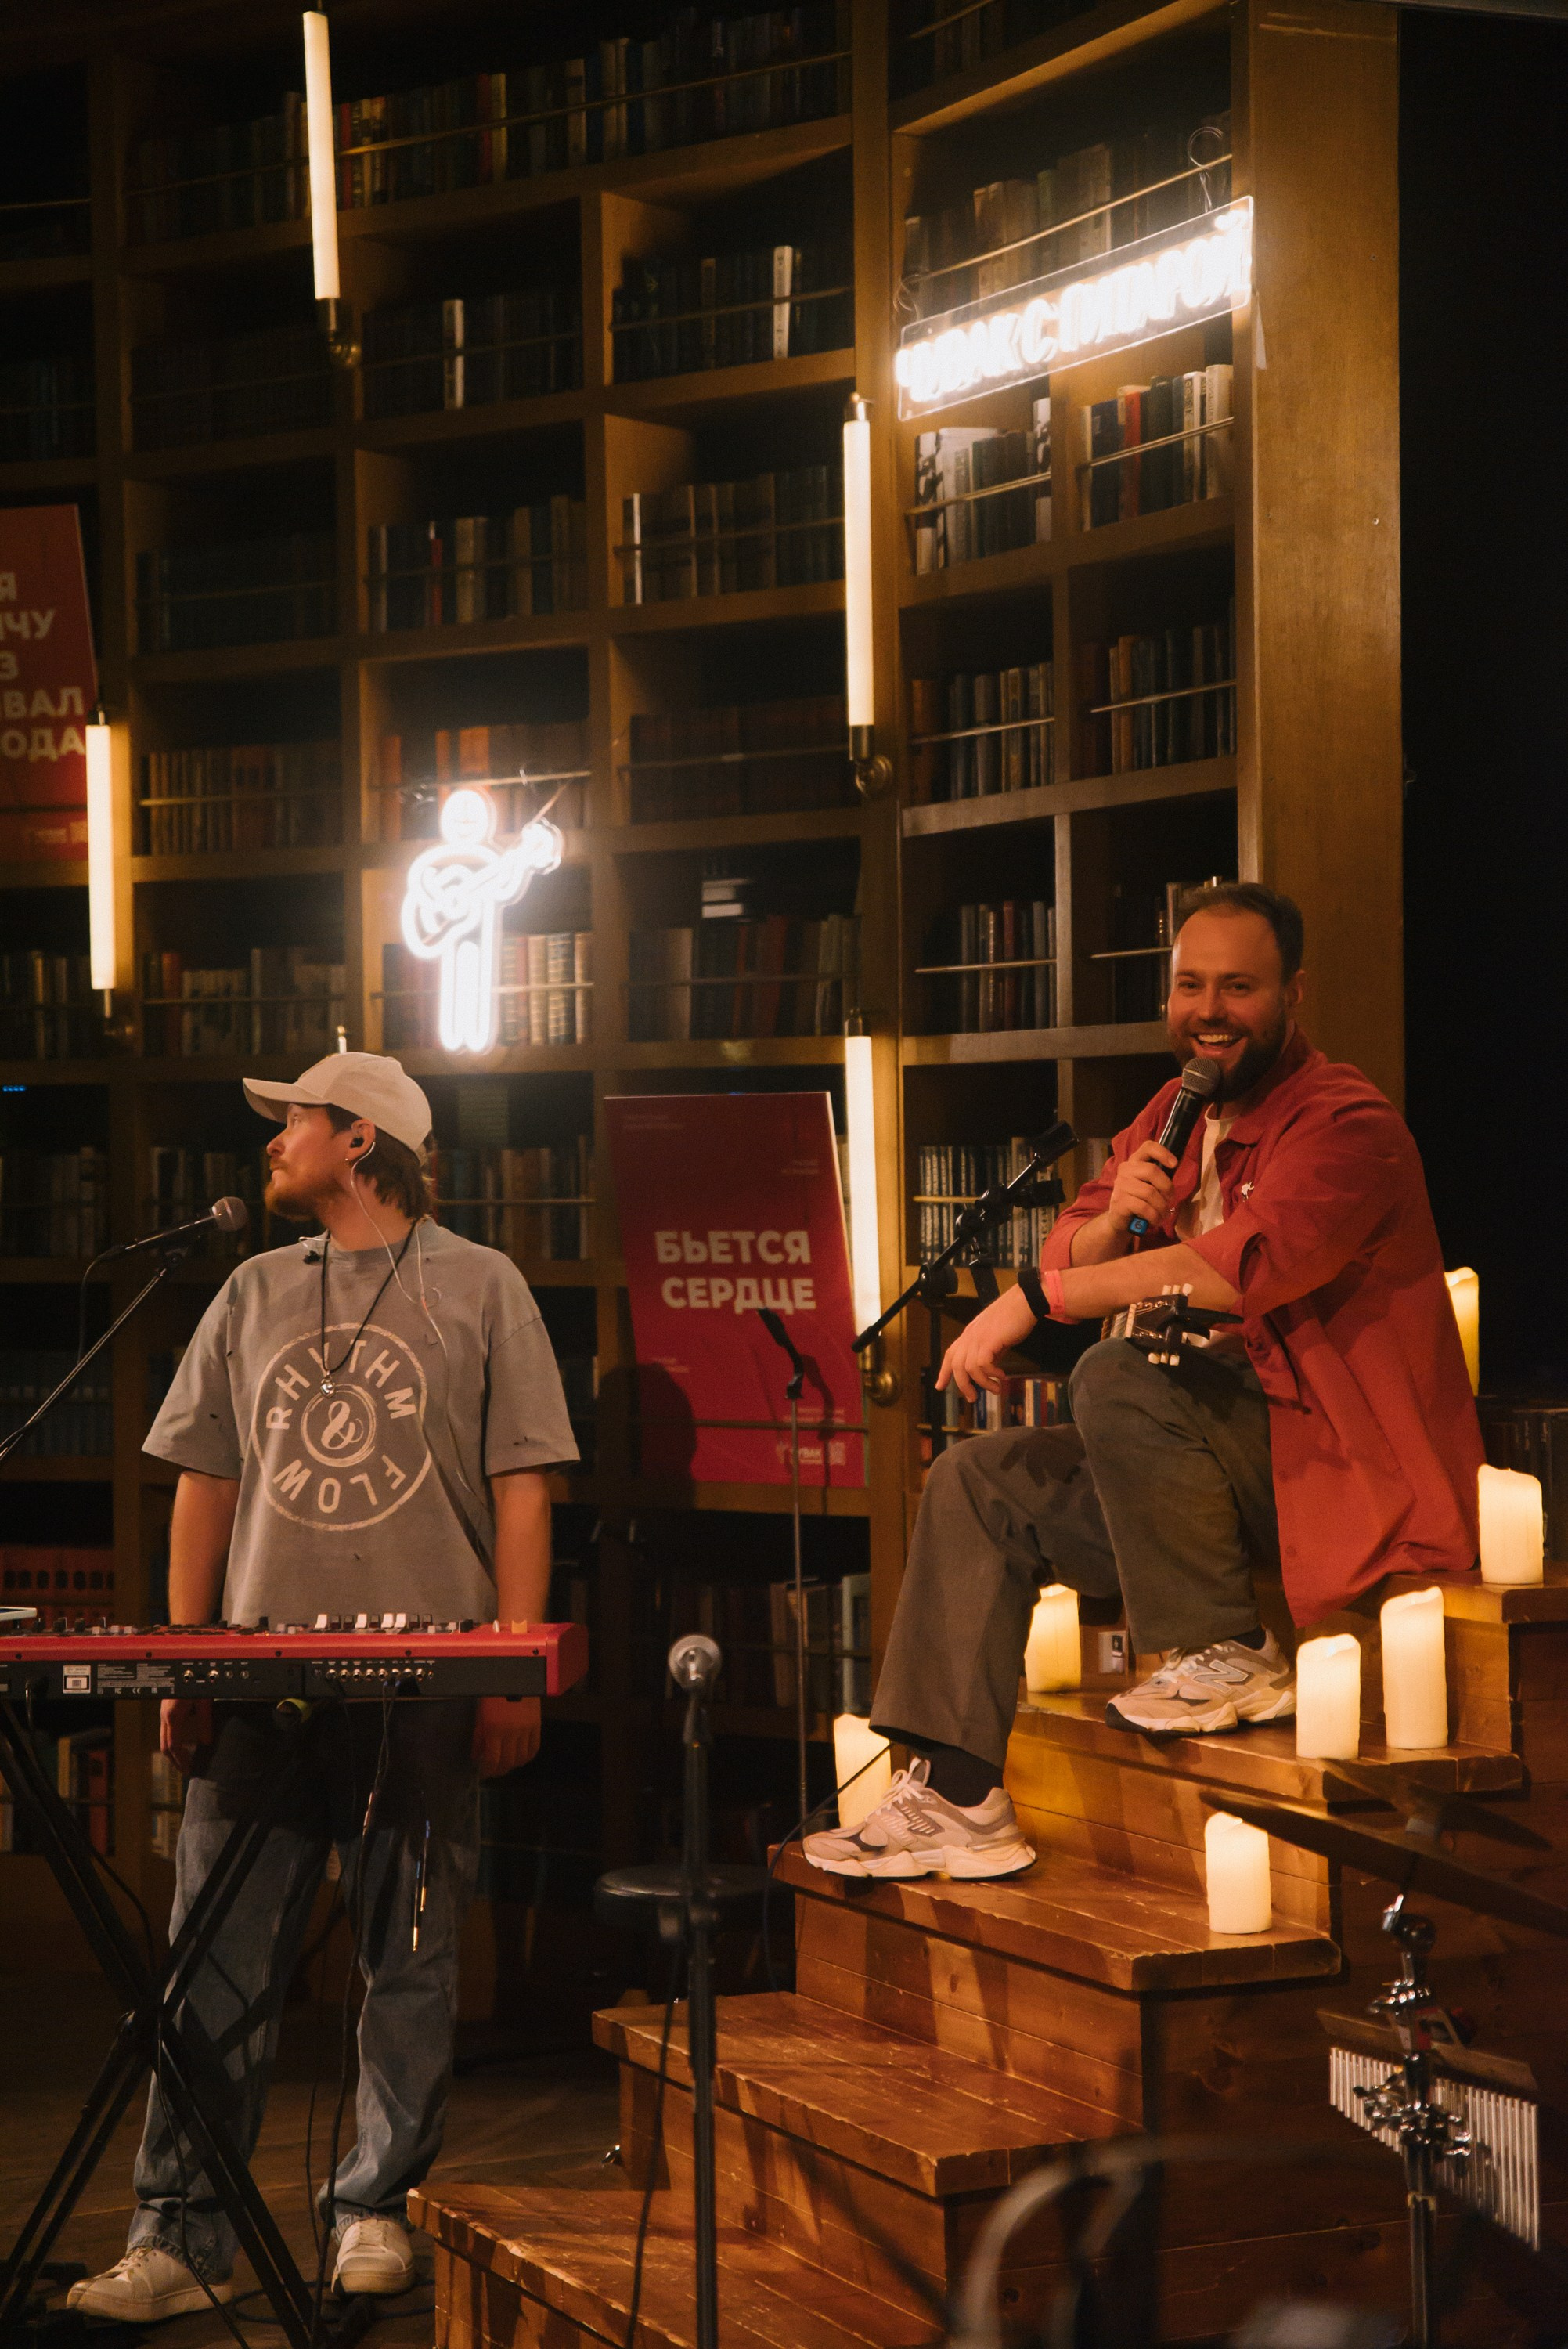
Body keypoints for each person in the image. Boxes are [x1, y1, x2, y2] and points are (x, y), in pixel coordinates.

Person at [806, 882, 1481, 1882]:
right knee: (980, 1480)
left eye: (1238, 987)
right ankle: (956, 1795)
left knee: (1121, 1374)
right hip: (1186, 1480)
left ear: (1293, 996)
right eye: (1190, 985)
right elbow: (1079, 1234)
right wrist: (1107, 1221)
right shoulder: (1175, 1111)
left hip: (1329, 1475)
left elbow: (1228, 1271)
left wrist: (1038, 1293)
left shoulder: (1346, 1125)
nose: (1209, 1009)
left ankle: (1224, 1646)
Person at [69, 1052, 579, 2323]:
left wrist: (515, 1663)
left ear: (360, 1141)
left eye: (290, 1120)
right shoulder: (250, 1290)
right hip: (256, 1676)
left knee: (407, 1949)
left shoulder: (484, 1284)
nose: (270, 1141)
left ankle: (374, 2209)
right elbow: (204, 1480)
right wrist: (187, 1653)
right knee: (213, 1962)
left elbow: (525, 1483)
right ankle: (180, 2234)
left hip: (427, 1673)